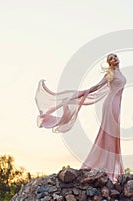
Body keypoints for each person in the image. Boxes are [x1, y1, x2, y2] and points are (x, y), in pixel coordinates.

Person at [35, 53, 126, 182]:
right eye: (111, 58)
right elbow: (95, 87)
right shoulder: (109, 75)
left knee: (115, 135)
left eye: (115, 56)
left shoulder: (120, 74)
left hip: (117, 105)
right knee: (109, 134)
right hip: (111, 105)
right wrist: (78, 96)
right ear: (109, 63)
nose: (114, 58)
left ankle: (113, 168)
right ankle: (108, 169)